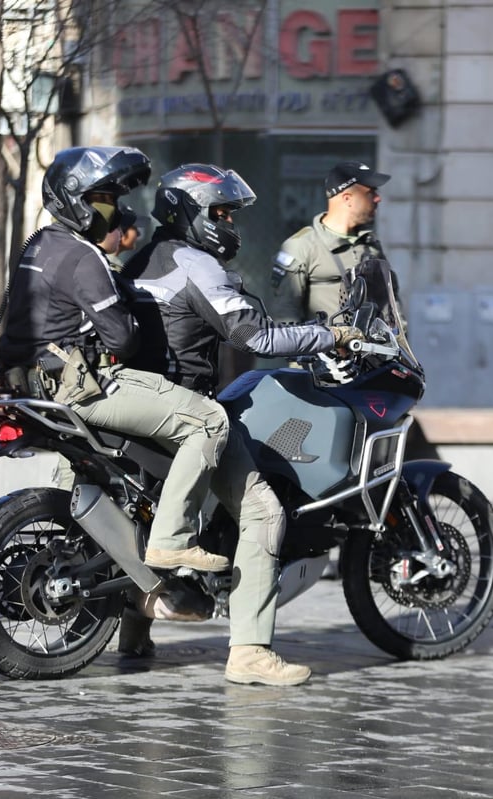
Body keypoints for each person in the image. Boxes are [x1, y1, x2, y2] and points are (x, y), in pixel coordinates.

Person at [123, 163, 364, 686]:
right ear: (191, 211)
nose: (229, 222)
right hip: (182, 407)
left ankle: (132, 630)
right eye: (222, 212)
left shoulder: (141, 257)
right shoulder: (194, 262)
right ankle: (251, 651)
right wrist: (328, 335)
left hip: (136, 404)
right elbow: (252, 334)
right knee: (263, 511)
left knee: (140, 512)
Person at [0, 145, 230, 577]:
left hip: (33, 385)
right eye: (106, 200)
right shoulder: (85, 257)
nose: (117, 213)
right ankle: (171, 540)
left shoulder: (43, 246)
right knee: (210, 421)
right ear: (76, 201)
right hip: (80, 386)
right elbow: (123, 340)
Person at [268, 160, 392, 324]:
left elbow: (390, 303)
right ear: (347, 198)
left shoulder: (370, 244)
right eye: (371, 192)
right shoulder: (301, 246)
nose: (378, 199)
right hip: (322, 347)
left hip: (371, 348)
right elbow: (284, 315)